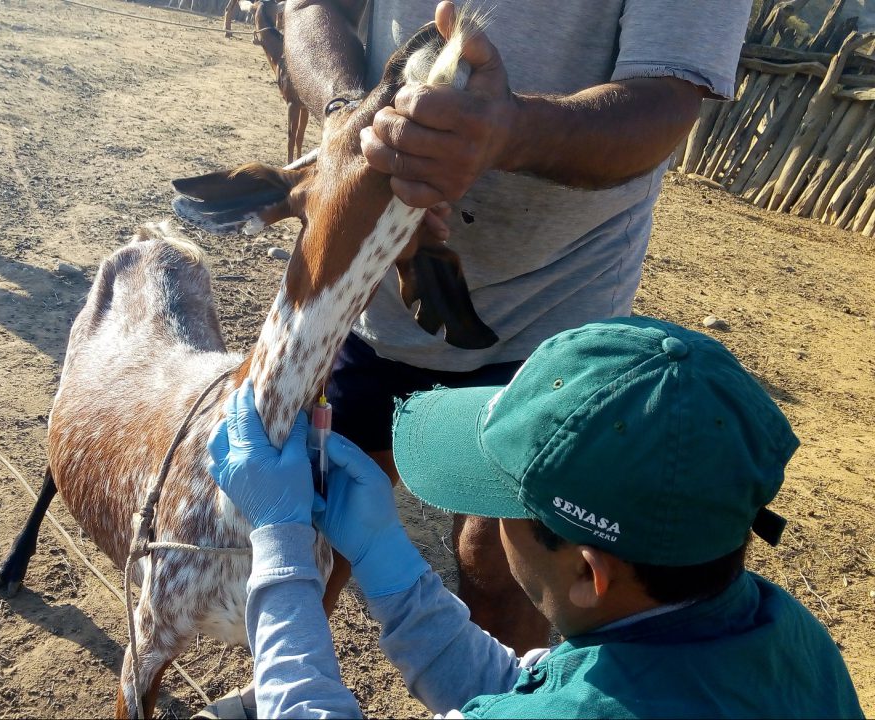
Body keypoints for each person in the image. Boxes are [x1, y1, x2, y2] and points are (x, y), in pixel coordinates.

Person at [283, 0, 755, 651]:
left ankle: (508, 691)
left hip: (551, 305)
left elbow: (666, 101)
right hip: (373, 294)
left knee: (498, 558)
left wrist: (511, 133)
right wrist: (353, 124)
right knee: (321, 514)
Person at [207, 317, 864, 719]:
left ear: (588, 572)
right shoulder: (782, 638)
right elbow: (530, 688)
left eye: (500, 500)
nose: (486, 514)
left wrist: (281, 538)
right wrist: (388, 563)